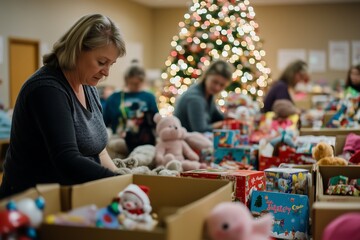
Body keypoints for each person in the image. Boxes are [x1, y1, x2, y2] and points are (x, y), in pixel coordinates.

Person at [0, 14, 126, 199]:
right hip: (30, 203)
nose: (106, 72)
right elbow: (67, 158)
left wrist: (122, 180)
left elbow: (99, 150)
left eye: (111, 64)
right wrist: (118, 182)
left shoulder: (88, 86)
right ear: (77, 50)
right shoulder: (47, 89)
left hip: (69, 196)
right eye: (101, 62)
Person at [103, 61, 158, 153]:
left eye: (139, 83)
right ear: (126, 80)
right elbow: (104, 122)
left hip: (144, 142)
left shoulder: (149, 97)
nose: (136, 86)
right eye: (133, 83)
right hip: (119, 141)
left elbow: (155, 121)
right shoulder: (114, 98)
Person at [174, 60, 234, 133]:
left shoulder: (208, 95)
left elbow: (218, 117)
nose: (217, 87)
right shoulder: (195, 98)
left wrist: (230, 117)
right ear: (206, 76)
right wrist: (220, 124)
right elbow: (200, 131)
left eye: (222, 85)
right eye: (215, 82)